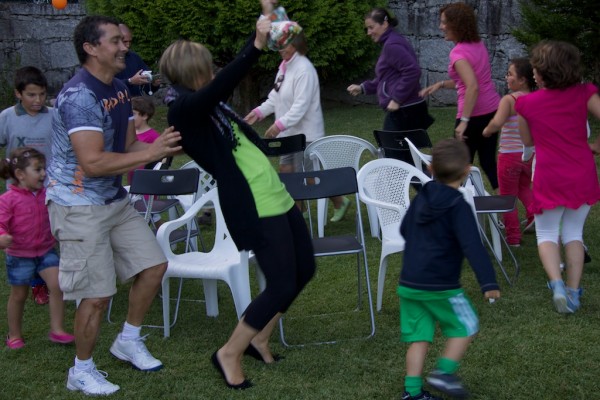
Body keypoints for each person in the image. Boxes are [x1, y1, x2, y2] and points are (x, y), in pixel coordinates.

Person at [159, 0, 316, 389]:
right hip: (253, 203)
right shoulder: (184, 111)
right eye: (207, 66)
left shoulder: (212, 110)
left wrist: (269, 17)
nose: (213, 71)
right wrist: (255, 45)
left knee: (304, 269)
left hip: (274, 193)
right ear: (193, 72)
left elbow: (219, 93)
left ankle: (259, 337)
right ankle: (229, 352)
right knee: (281, 282)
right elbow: (220, 86)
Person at [47, 15, 181, 395]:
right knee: (97, 294)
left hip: (112, 198)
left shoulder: (120, 89)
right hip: (76, 204)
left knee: (153, 265)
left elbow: (127, 147)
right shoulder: (79, 97)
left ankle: (128, 340)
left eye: (124, 41)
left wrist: (167, 145)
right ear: (91, 48)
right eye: (116, 41)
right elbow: (92, 162)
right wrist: (151, 152)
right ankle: (81, 370)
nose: (124, 47)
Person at [398, 139, 500, 400]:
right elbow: (473, 246)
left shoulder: (421, 197)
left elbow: (404, 229)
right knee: (467, 325)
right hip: (440, 285)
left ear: (430, 168)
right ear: (467, 171)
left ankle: (412, 393)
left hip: (409, 284)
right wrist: (488, 282)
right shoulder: (459, 206)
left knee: (419, 338)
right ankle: (444, 372)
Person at [515, 40, 600, 314]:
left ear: (542, 73)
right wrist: (597, 145)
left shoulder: (525, 103)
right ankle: (574, 291)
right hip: (581, 173)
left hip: (549, 174)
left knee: (547, 233)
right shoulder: (585, 93)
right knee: (574, 233)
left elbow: (527, 141)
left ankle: (557, 284)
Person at [244, 31, 350, 222]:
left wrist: (278, 125)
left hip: (306, 134)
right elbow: (275, 97)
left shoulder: (304, 69)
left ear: (296, 44)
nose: (279, 49)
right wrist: (258, 112)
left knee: (310, 178)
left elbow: (301, 106)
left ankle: (340, 201)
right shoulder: (284, 67)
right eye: (278, 45)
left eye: (284, 45)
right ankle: (298, 214)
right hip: (289, 134)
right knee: (287, 173)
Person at [420, 3, 501, 190]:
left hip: (473, 117)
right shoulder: (478, 44)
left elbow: (472, 87)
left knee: (456, 166)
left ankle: (453, 201)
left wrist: (464, 121)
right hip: (491, 110)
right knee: (488, 162)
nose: (440, 27)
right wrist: (440, 84)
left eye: (444, 23)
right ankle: (506, 202)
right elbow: (470, 81)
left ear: (456, 24)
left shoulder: (458, 53)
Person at [0, 147, 74, 350]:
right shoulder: (8, 199)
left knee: (57, 285)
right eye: (38, 169)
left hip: (45, 251)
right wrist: (2, 236)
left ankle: (57, 329)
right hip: (19, 256)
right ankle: (14, 335)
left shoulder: (48, 194)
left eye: (43, 169)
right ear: (20, 174)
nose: (43, 174)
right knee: (19, 295)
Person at [0, 65, 52, 305]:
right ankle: (36, 283)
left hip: (50, 189)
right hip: (19, 194)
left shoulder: (54, 116)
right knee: (26, 239)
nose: (37, 100)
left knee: (48, 235)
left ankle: (54, 278)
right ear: (18, 93)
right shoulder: (6, 117)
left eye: (42, 94)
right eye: (31, 95)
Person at [347, 7, 434, 134]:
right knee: (401, 147)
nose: (368, 32)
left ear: (384, 24)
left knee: (392, 146)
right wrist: (362, 88)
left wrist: (397, 99)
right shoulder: (392, 41)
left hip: (405, 110)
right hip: (408, 108)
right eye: (367, 28)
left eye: (371, 27)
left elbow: (412, 71)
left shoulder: (392, 45)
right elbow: (386, 78)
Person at [482, 57, 536, 246]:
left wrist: (486, 131)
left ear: (522, 79)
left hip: (509, 156)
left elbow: (497, 122)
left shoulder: (509, 99)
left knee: (507, 196)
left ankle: (513, 237)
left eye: (510, 74)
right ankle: (534, 215)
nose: (506, 77)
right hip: (530, 154)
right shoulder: (537, 98)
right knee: (523, 188)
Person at [114, 23, 159, 97]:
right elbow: (106, 85)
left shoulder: (134, 57)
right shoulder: (107, 59)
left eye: (130, 41)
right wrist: (130, 81)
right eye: (125, 41)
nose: (128, 45)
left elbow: (146, 88)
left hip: (135, 102)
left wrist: (153, 84)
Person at [127, 96, 160, 185]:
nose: (129, 117)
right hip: (132, 178)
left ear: (145, 116)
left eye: (133, 114)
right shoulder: (129, 134)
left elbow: (158, 161)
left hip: (146, 181)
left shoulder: (153, 136)